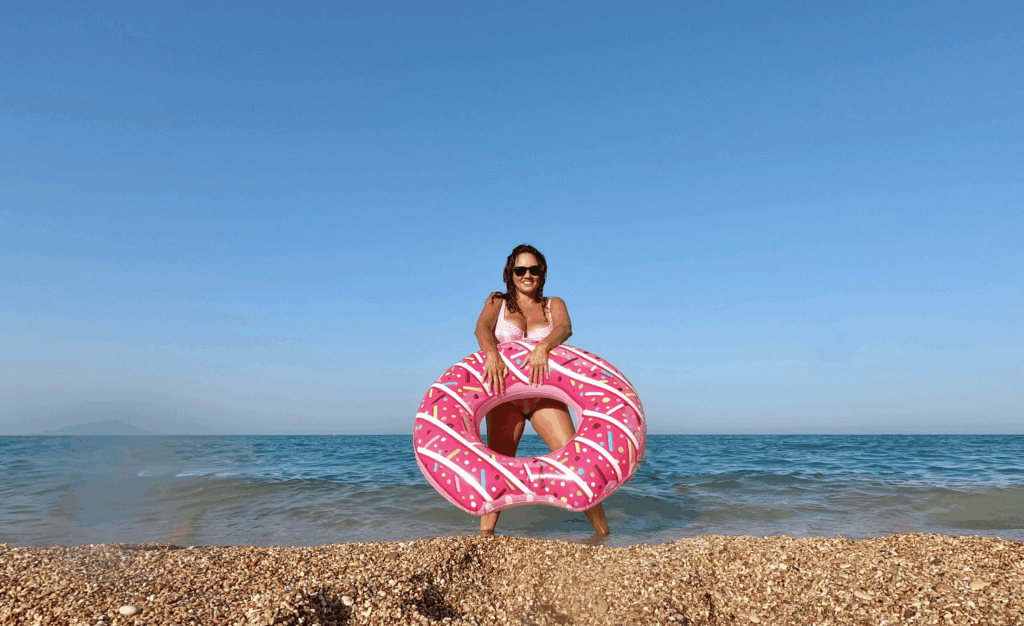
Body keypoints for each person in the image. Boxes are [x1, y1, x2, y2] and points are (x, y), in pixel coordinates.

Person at [473, 244, 611, 536]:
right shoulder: (497, 302)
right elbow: (482, 329)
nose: (527, 275)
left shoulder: (553, 304)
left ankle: (604, 534)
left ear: (542, 273)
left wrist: (543, 346)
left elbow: (565, 328)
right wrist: (492, 354)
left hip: (543, 396)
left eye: (534, 269)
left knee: (577, 463)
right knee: (498, 468)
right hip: (505, 396)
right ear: (510, 273)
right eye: (520, 269)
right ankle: (484, 538)